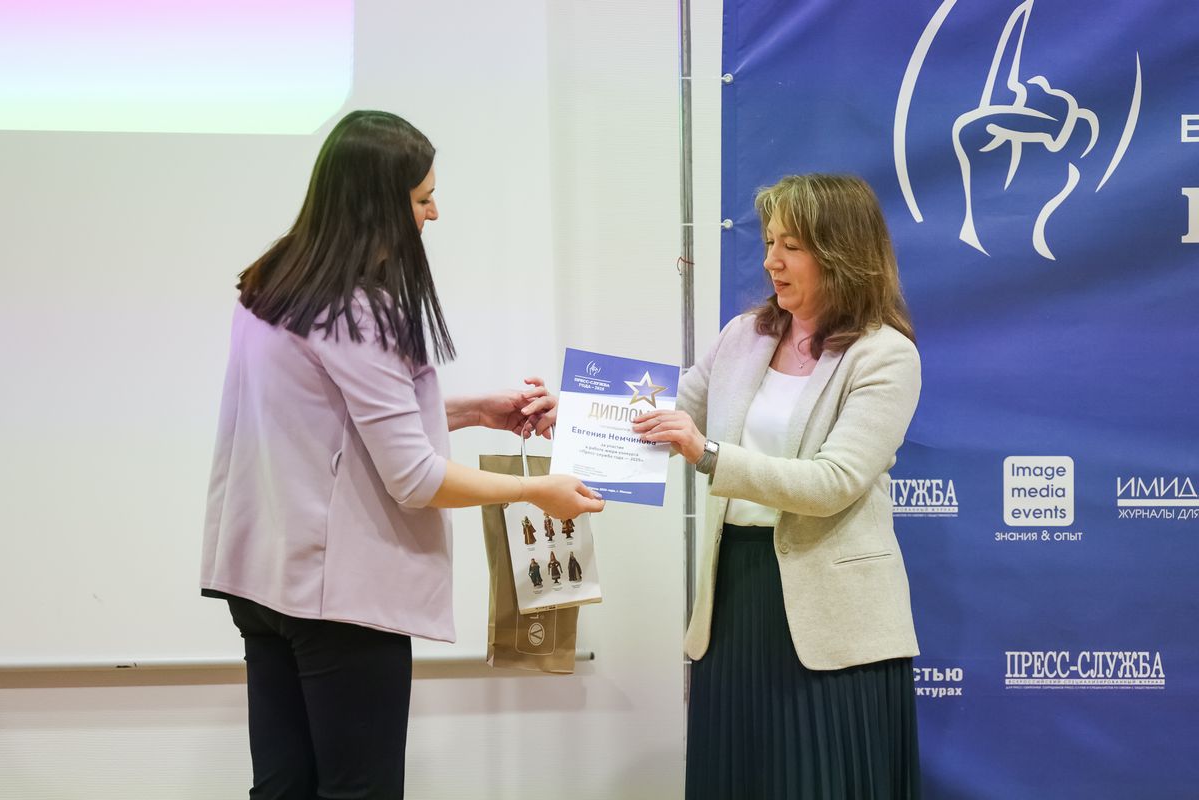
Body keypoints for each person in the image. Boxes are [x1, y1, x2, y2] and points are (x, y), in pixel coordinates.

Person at [200, 109, 604, 800]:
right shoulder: (356, 309)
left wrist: (473, 411)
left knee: (283, 788)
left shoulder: (273, 283)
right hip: (337, 599)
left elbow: (334, 424)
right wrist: (536, 490)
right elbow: (414, 478)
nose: (434, 214)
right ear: (378, 204)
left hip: (264, 581)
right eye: (422, 199)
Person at [633, 174, 922, 799]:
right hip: (736, 597)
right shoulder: (745, 334)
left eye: (790, 246)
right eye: (769, 242)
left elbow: (832, 483)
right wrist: (572, 415)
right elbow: (668, 412)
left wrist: (708, 454)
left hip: (831, 620)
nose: (771, 261)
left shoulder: (885, 355)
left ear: (840, 252)